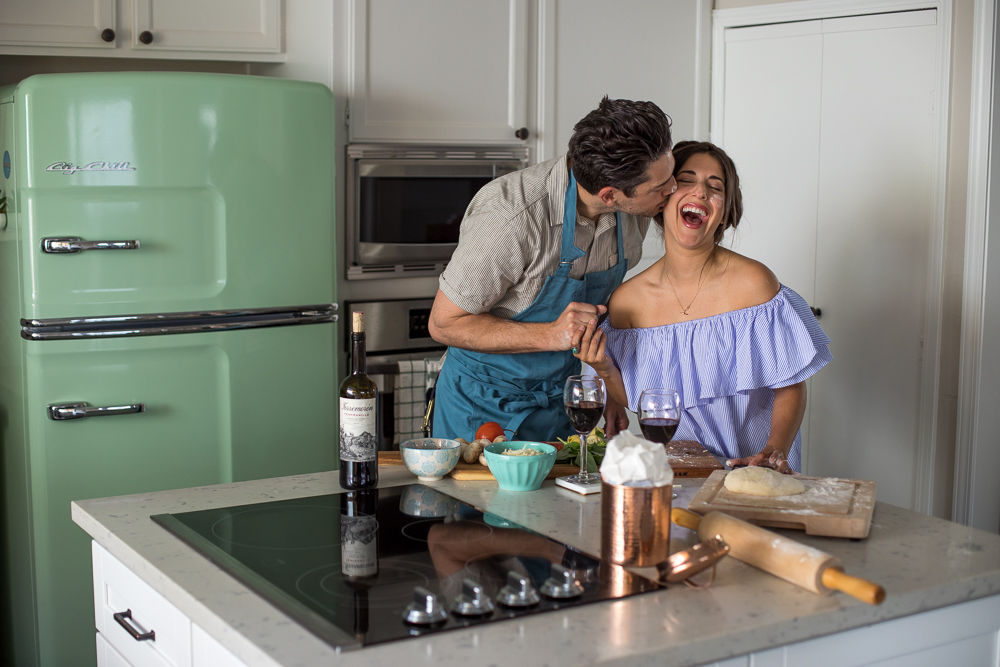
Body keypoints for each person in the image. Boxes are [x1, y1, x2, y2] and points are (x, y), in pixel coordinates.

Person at [428, 97, 676, 442]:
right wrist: (550, 335)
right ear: (609, 196)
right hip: (482, 408)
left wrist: (607, 386)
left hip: (561, 401)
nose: (673, 189)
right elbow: (443, 324)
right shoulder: (510, 217)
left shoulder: (637, 210)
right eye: (660, 188)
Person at [573, 141, 831, 473]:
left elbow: (791, 384)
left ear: (725, 210)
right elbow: (641, 402)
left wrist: (774, 449)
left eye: (715, 187)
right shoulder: (627, 302)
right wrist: (607, 372)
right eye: (686, 180)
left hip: (755, 470)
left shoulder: (755, 283)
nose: (701, 192)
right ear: (662, 198)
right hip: (678, 472)